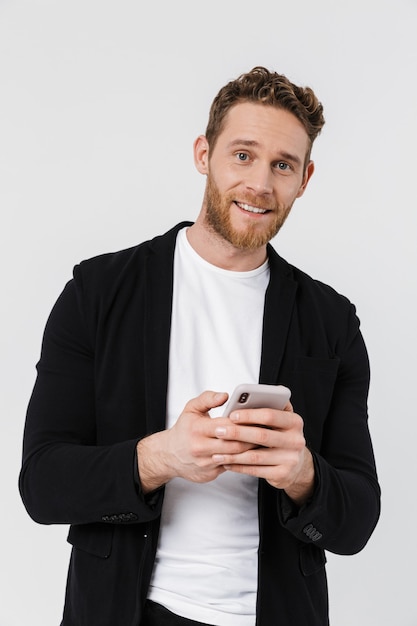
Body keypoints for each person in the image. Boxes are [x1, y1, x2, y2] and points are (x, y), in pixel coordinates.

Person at [19, 66, 380, 626]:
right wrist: (161, 457)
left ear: (304, 179)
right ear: (203, 154)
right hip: (128, 610)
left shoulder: (331, 321)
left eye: (282, 165)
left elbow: (357, 522)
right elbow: (42, 485)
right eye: (242, 155)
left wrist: (302, 474)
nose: (260, 183)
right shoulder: (98, 292)